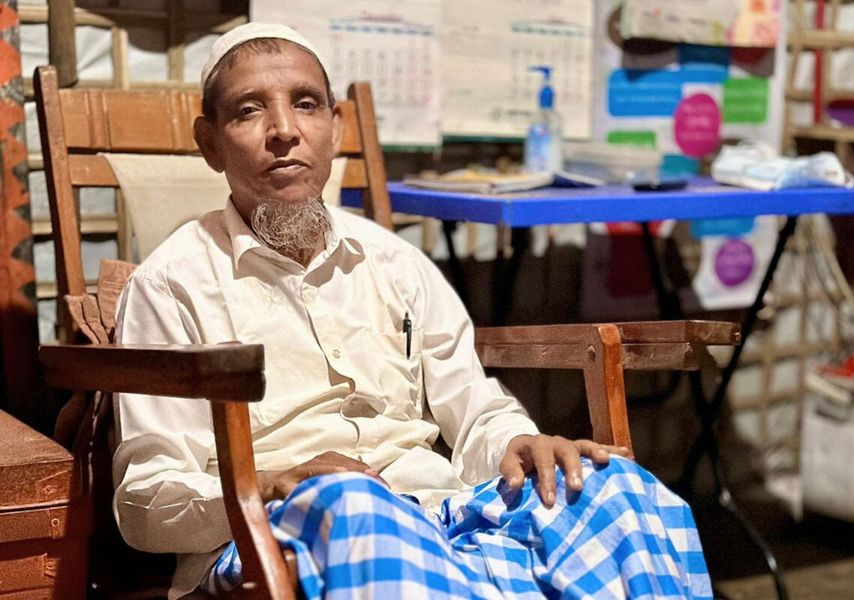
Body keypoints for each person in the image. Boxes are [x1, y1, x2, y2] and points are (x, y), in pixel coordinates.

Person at [113, 22, 712, 600]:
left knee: (613, 491)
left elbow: (474, 411)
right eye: (249, 110)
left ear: (335, 126)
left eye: (306, 103)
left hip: (434, 512)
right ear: (209, 143)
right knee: (356, 507)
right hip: (278, 533)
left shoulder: (396, 262)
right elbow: (144, 501)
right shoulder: (171, 287)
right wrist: (269, 485)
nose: (284, 130)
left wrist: (520, 442)